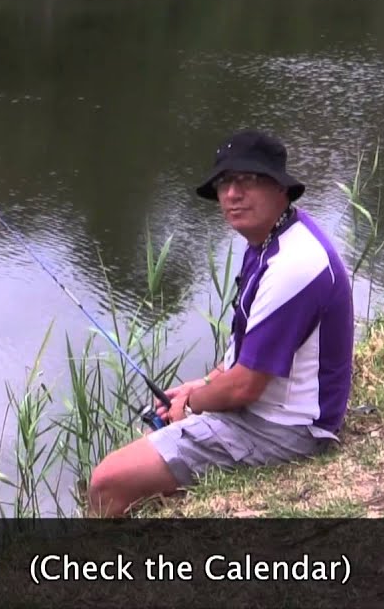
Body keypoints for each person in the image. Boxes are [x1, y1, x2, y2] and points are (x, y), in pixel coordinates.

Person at [86, 130, 355, 518]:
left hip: (289, 431)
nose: (232, 194)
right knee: (154, 432)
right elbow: (245, 358)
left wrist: (192, 404)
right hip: (273, 412)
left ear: (280, 188)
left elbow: (245, 386)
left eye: (248, 181)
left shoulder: (295, 265)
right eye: (225, 183)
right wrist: (202, 386)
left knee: (106, 480)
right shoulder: (270, 242)